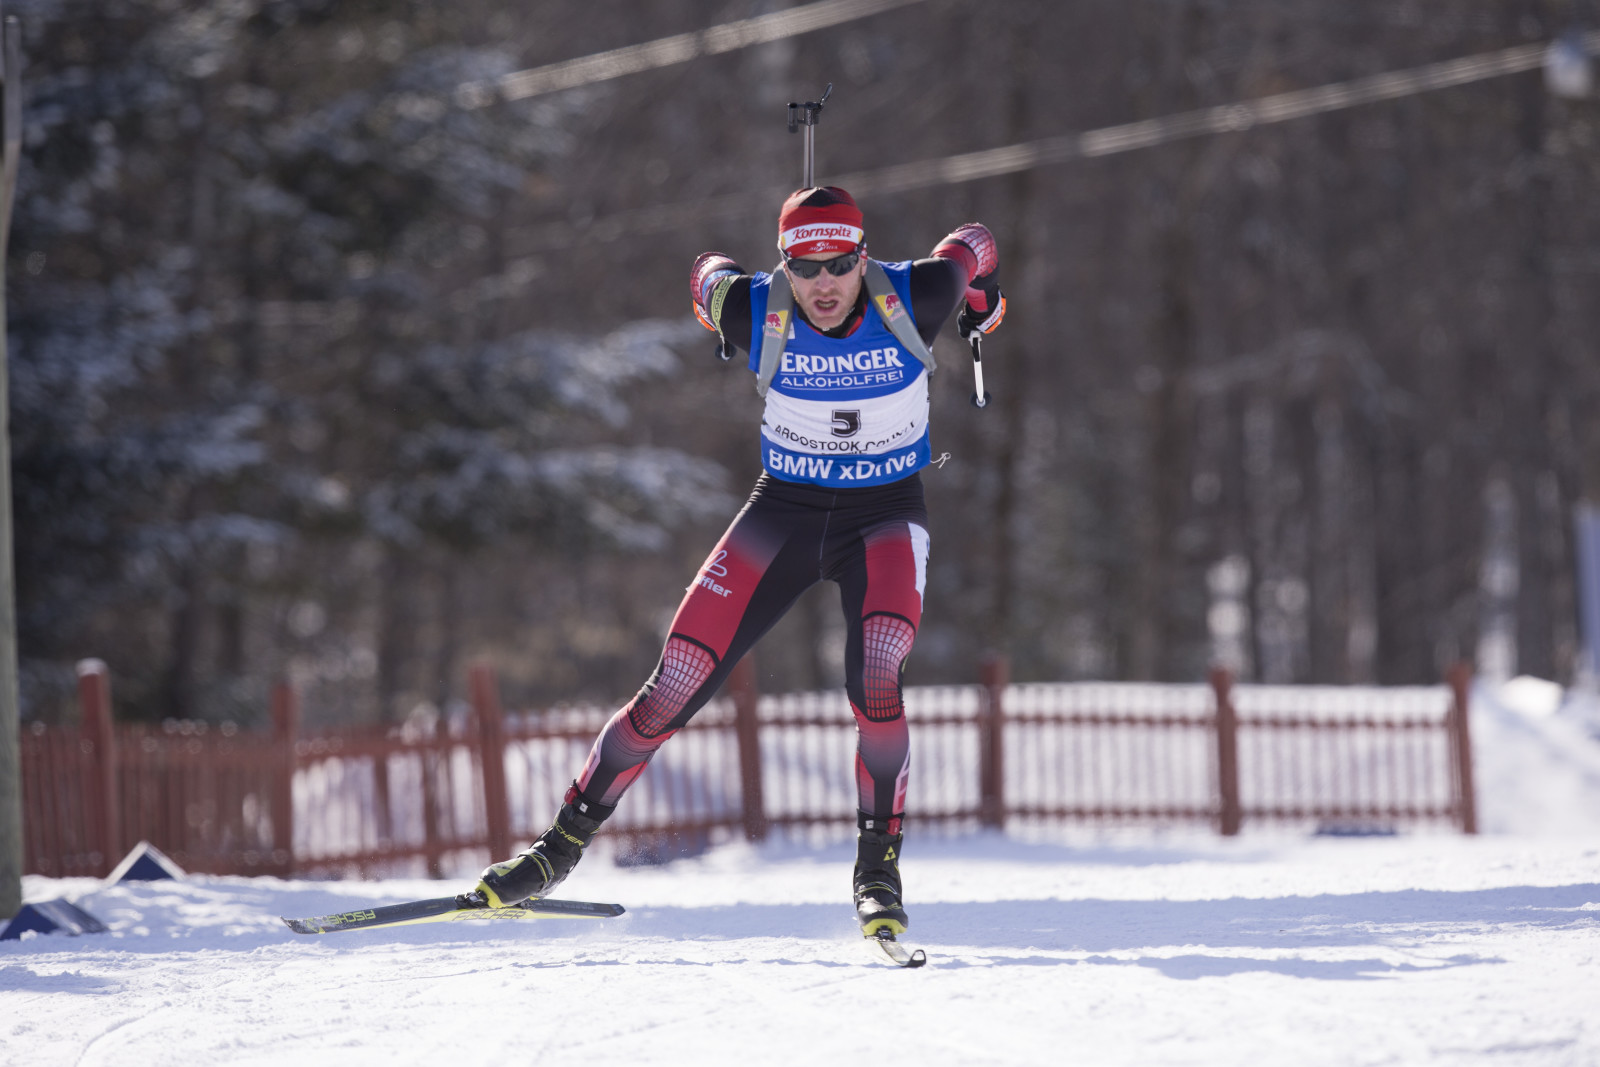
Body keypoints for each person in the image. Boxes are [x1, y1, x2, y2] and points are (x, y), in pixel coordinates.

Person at [475, 186, 1005, 938]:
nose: (823, 284)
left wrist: (983, 296)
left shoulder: (918, 292)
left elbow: (976, 238)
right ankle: (558, 848)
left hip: (884, 510)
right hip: (784, 509)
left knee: (878, 669)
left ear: (864, 257)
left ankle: (877, 865)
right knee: (676, 682)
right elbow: (704, 273)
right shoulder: (756, 307)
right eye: (804, 266)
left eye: (840, 264)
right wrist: (714, 311)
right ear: (783, 264)